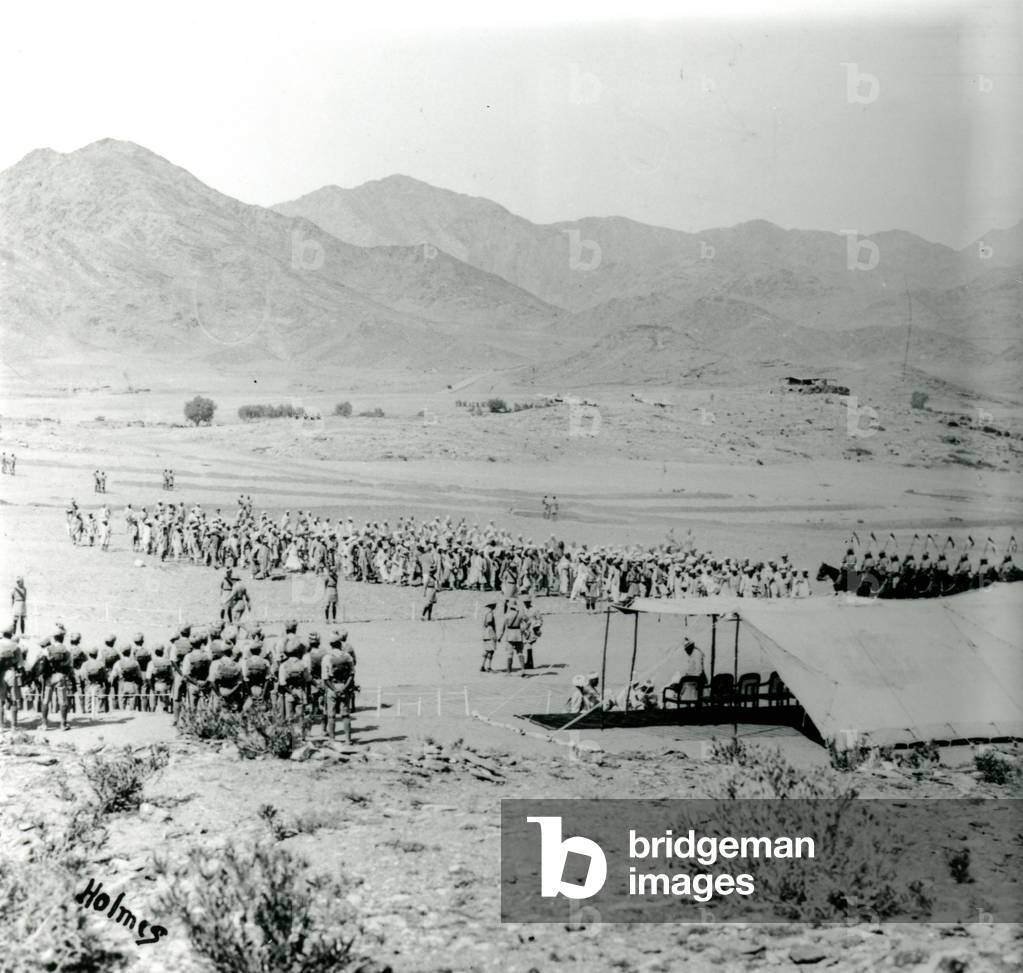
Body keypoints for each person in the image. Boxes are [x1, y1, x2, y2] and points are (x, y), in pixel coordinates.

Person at [321, 642, 356, 743]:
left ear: (331, 645)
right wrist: (345, 687)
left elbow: (325, 678)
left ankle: (332, 739)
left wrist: (334, 689)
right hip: (344, 687)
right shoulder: (348, 657)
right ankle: (348, 739)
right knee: (345, 715)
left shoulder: (327, 657)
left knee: (331, 715)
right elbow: (352, 674)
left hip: (332, 687)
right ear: (340, 645)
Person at [665, 637, 705, 704]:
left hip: (697, 678)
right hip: (692, 677)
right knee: (682, 680)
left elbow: (699, 670)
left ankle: (679, 694)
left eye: (687, 649)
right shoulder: (692, 654)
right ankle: (679, 693)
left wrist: (690, 677)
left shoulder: (697, 654)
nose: (686, 651)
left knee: (683, 680)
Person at [500, 599, 527, 674]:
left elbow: (502, 628)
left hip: (510, 635)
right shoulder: (520, 614)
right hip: (518, 634)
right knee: (520, 652)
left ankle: (509, 672)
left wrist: (500, 637)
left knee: (509, 653)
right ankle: (523, 670)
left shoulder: (507, 615)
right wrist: (524, 629)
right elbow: (528, 621)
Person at [481, 599, 497, 672]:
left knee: (487, 650)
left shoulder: (486, 613)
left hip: (486, 633)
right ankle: (489, 666)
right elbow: (489, 622)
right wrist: (494, 634)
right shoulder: (490, 614)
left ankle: (483, 665)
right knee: (491, 650)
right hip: (490, 632)